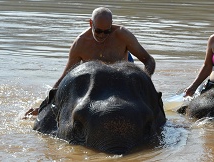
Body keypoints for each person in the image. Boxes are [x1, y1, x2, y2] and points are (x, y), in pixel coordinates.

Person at [24, 7, 155, 118]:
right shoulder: (80, 44)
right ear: (91, 23)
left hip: (122, 78)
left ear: (111, 25)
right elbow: (64, 78)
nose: (102, 36)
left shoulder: (122, 35)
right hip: (96, 83)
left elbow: (149, 61)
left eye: (106, 31)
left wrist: (143, 81)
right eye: (98, 31)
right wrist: (44, 106)